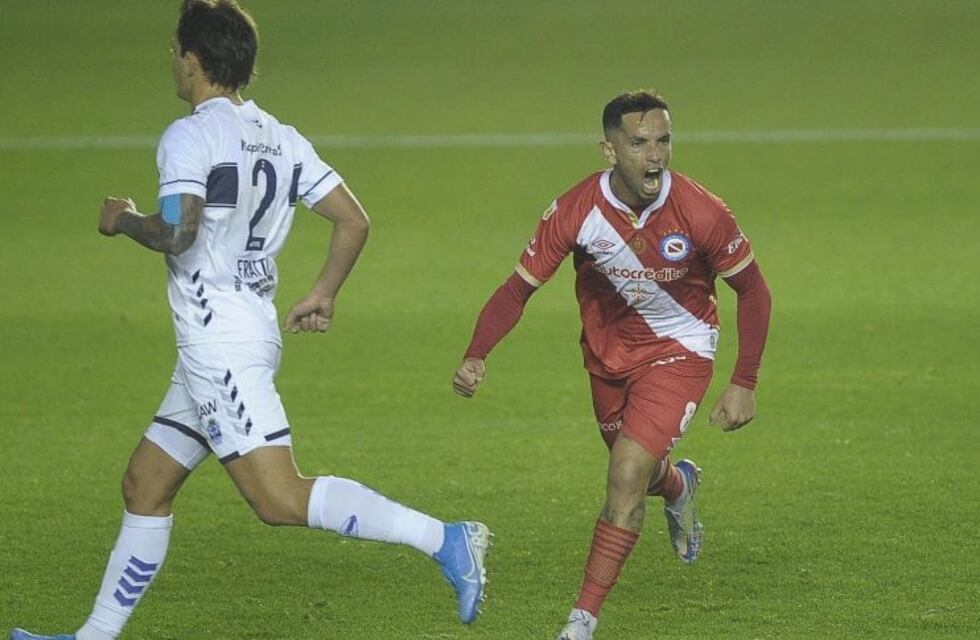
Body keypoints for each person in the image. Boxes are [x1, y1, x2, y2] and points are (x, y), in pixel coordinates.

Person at [10, 2, 491, 639]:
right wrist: (323, 292)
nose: (173, 62)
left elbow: (178, 233)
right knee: (144, 485)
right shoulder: (280, 136)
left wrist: (121, 219)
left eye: (175, 49)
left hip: (220, 347)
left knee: (277, 498)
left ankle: (446, 539)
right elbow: (354, 219)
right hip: (240, 335)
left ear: (194, 58)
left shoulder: (189, 134)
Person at [452, 90, 771, 640]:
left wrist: (743, 381)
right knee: (641, 476)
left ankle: (581, 621)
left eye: (663, 141)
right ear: (608, 150)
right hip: (606, 359)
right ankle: (678, 486)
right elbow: (517, 290)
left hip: (681, 348)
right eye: (639, 142)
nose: (655, 155)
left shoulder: (702, 211)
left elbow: (754, 290)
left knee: (624, 476)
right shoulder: (576, 211)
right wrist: (477, 353)